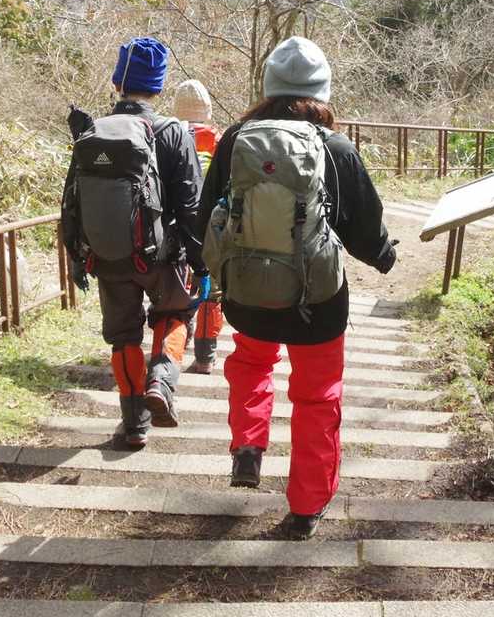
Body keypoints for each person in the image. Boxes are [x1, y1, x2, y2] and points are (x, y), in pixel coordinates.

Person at [198, 36, 396, 539]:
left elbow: (206, 217)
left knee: (251, 363)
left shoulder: (236, 140)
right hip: (318, 302)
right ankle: (307, 505)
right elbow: (364, 228)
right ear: (322, 91)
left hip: (247, 293)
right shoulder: (335, 148)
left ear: (268, 87)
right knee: (318, 395)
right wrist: (384, 256)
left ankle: (248, 445)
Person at [61, 37, 204, 449]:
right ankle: (161, 381)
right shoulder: (172, 131)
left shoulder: (93, 131)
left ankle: (134, 424)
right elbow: (191, 206)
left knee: (123, 336)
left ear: (116, 83)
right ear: (158, 87)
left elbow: (70, 201)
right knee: (174, 314)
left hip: (108, 257)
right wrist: (202, 263)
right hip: (163, 257)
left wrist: (76, 257)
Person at [172, 79, 224, 374]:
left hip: (175, 223)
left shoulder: (167, 135)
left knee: (177, 284)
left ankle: (175, 345)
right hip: (211, 225)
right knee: (211, 290)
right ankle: (205, 356)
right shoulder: (219, 140)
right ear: (208, 110)